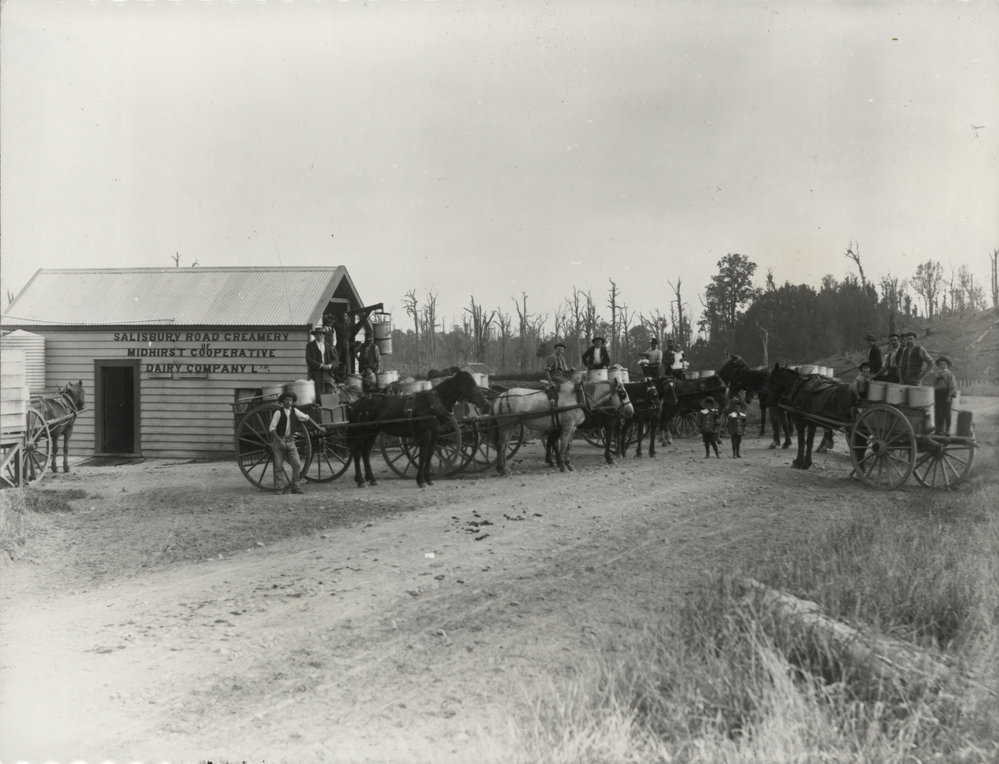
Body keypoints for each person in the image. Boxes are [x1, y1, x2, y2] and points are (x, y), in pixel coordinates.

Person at [268, 391, 321, 494]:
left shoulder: (295, 411)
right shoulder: (278, 413)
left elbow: (307, 417)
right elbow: (272, 429)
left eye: (291, 400)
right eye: (287, 400)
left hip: (291, 441)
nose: (289, 402)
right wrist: (279, 441)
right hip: (280, 441)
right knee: (278, 466)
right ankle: (280, 488)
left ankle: (295, 486)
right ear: (283, 401)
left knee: (296, 464)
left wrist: (318, 427)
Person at [305, 323, 338, 394]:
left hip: (328, 373)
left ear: (324, 335)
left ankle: (328, 405)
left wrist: (330, 365)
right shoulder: (310, 346)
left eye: (321, 334)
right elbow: (309, 360)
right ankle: (319, 404)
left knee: (330, 390)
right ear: (314, 336)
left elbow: (335, 359)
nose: (320, 336)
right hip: (316, 372)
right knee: (319, 392)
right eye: (318, 334)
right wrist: (321, 365)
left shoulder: (328, 346)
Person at [932, 357, 957, 435]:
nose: (942, 366)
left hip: (946, 393)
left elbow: (952, 386)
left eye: (944, 364)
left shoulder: (950, 374)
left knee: (947, 412)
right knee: (938, 412)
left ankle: (948, 430)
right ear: (939, 366)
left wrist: (949, 396)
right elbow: (933, 384)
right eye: (941, 364)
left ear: (947, 365)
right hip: (938, 393)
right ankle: (939, 430)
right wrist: (936, 378)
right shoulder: (936, 374)